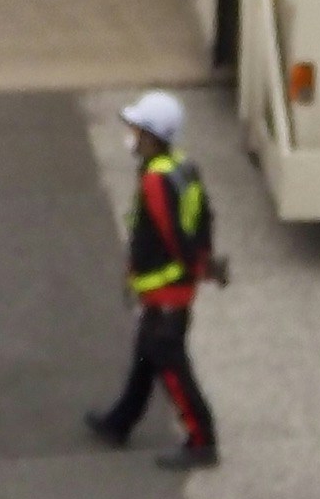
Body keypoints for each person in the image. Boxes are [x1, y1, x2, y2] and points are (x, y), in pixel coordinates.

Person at [84, 89, 225, 467]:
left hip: (167, 292)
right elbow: (205, 218)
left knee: (171, 365)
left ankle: (202, 439)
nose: (131, 136)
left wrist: (188, 270)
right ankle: (120, 422)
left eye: (137, 129)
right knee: (146, 355)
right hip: (171, 290)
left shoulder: (156, 181)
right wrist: (204, 265)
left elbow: (171, 235)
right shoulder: (182, 168)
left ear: (153, 136)